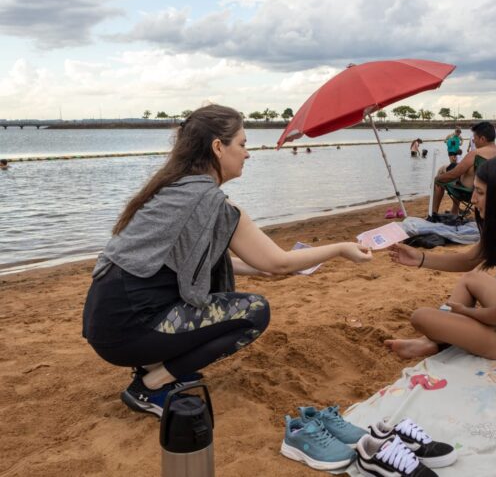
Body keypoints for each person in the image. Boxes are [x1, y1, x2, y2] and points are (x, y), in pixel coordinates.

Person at [82, 104, 373, 417]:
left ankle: (153, 365)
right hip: (132, 330)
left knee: (221, 302)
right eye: (243, 144)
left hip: (106, 324)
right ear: (218, 147)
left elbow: (178, 264)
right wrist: (341, 248)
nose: (247, 154)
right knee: (255, 311)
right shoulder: (211, 202)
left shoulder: (173, 189)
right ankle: (151, 384)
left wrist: (255, 270)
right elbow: (280, 262)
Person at [386, 156, 496, 366]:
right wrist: (420, 258)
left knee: (420, 317)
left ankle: (434, 341)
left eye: (480, 193)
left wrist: (467, 312)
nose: (473, 199)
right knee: (471, 279)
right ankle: (432, 341)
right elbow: (469, 260)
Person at [432, 121, 496, 215]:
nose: (473, 141)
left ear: (482, 139)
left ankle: (433, 213)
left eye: (475, 138)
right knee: (458, 171)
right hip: (492, 195)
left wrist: (436, 179)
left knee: (442, 173)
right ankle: (454, 211)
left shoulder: (476, 154)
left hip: (470, 192)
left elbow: (453, 174)